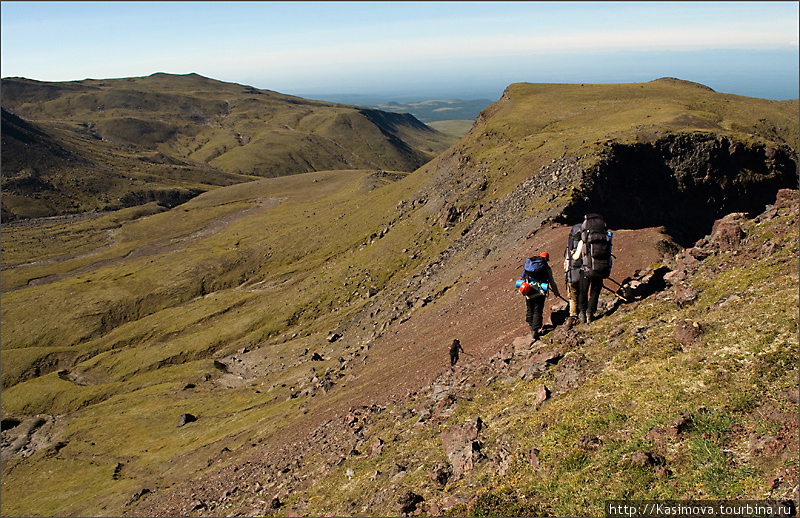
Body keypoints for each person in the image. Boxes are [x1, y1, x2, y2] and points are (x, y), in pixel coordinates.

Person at [572, 214, 611, 323]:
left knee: (583, 292)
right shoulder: (605, 239)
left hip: (586, 269)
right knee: (595, 292)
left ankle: (582, 313)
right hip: (600, 268)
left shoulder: (583, 242)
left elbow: (575, 258)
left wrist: (573, 253)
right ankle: (590, 313)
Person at [521, 252, 561, 340]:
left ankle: (531, 326)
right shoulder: (546, 267)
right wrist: (556, 293)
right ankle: (535, 329)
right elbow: (552, 281)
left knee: (530, 308)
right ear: (546, 259)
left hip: (528, 291)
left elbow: (523, 276)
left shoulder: (529, 265)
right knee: (537, 310)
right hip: (540, 291)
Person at [563, 223, 583, 327]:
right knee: (582, 293)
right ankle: (584, 313)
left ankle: (574, 316)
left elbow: (566, 262)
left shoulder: (570, 249)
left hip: (571, 274)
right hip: (584, 273)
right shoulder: (585, 244)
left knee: (573, 297)